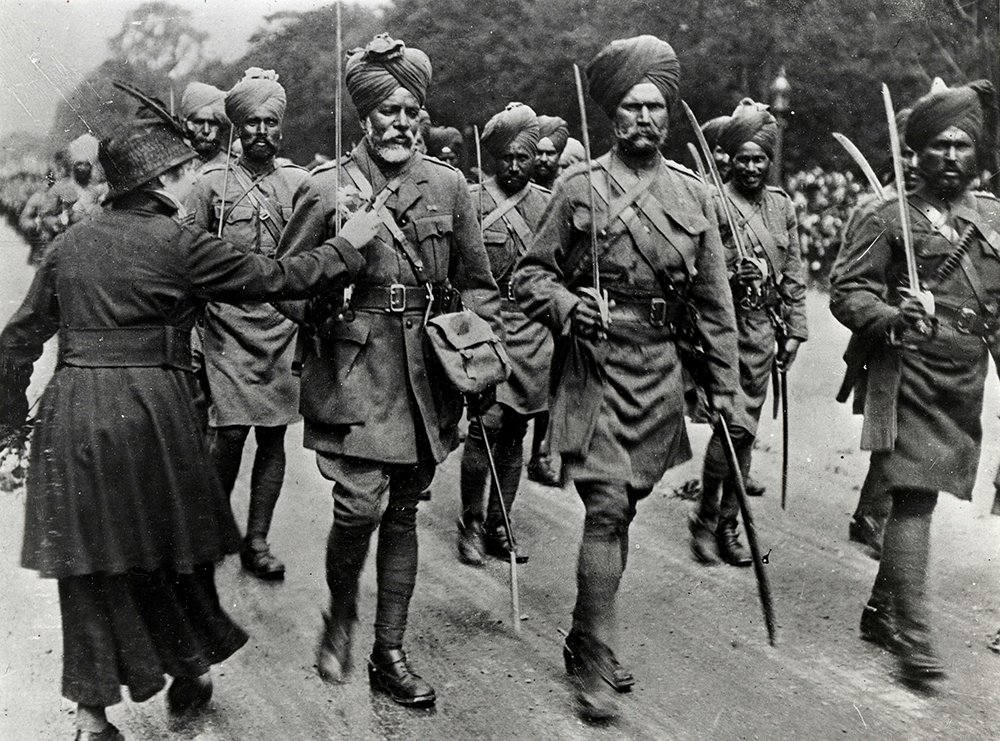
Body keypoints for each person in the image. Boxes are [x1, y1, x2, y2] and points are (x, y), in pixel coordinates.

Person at [0, 111, 378, 741]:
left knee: (88, 563)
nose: (193, 181)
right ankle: (187, 670)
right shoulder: (180, 245)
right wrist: (349, 243)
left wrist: (9, 426)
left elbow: (15, 342)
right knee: (179, 549)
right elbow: (279, 279)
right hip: (155, 411)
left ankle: (93, 720)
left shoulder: (68, 246)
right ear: (167, 179)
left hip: (73, 416)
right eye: (186, 173)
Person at [513, 35, 739, 721]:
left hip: (659, 371)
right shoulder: (579, 188)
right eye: (632, 107)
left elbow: (714, 303)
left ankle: (586, 631)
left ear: (669, 114)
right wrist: (566, 303)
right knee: (606, 507)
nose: (644, 118)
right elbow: (529, 274)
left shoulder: (693, 194)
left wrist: (726, 387)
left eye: (656, 107)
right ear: (611, 116)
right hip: (593, 369)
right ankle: (599, 659)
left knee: (627, 506)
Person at [276, 33, 502, 708]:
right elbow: (287, 286)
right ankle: (341, 607)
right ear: (366, 116)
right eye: (389, 111)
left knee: (402, 512)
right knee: (358, 506)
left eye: (412, 111)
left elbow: (478, 282)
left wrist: (480, 348)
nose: (402, 123)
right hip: (352, 369)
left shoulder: (450, 186)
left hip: (425, 374)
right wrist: (337, 269)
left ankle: (389, 650)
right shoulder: (327, 188)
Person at [830, 79, 1000, 685]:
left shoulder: (992, 220)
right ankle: (914, 634)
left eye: (962, 146)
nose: (951, 157)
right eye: (939, 147)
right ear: (917, 153)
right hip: (907, 369)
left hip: (963, 377)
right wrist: (891, 316)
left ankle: (881, 611)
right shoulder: (887, 215)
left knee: (923, 490)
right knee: (913, 494)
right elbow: (848, 292)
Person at [186, 68, 309, 580]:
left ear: (281, 127)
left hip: (282, 325)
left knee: (274, 437)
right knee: (230, 433)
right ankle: (213, 528)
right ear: (237, 126)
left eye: (270, 122)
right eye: (252, 122)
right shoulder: (210, 184)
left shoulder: (300, 183)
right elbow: (184, 254)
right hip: (225, 324)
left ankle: (256, 540)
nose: (261, 131)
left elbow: (320, 249)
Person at [689, 99, 808, 567]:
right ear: (731, 160)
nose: (752, 167)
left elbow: (794, 274)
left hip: (762, 332)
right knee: (731, 425)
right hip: (723, 327)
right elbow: (695, 264)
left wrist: (795, 329)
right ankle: (710, 522)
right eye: (744, 159)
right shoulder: (714, 203)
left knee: (744, 430)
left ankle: (724, 522)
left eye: (760, 159)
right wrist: (727, 276)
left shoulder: (782, 208)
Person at [458, 102, 551, 565]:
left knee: (515, 430)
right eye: (506, 157)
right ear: (493, 157)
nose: (514, 166)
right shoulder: (472, 201)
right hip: (487, 324)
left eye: (524, 158)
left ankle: (500, 522)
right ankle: (470, 524)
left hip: (533, 330)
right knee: (484, 428)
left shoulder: (548, 205)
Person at [842, 105, 921, 560]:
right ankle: (872, 516)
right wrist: (887, 311)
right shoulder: (876, 210)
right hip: (885, 335)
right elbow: (852, 279)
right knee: (888, 428)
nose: (913, 164)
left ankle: (872, 511)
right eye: (906, 154)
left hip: (928, 337)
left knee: (910, 429)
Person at [525, 114, 571, 486]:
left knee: (551, 384)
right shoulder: (518, 190)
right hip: (524, 299)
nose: (542, 160)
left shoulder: (568, 194)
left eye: (550, 153)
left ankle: (542, 451)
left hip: (556, 303)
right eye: (536, 152)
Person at [180, 81, 230, 169]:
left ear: (222, 127)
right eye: (199, 122)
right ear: (186, 125)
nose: (206, 131)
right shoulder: (179, 168)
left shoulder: (231, 167)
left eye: (213, 123)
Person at [532, 115, 570, 190]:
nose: (543, 159)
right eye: (539, 153)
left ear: (560, 154)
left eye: (550, 153)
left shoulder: (568, 187)